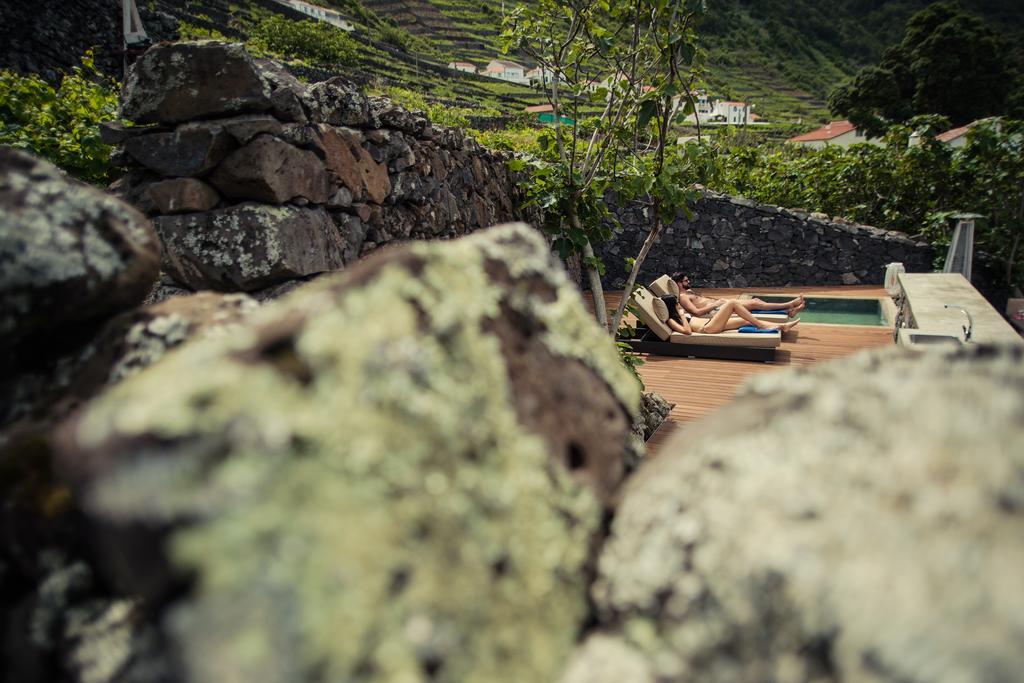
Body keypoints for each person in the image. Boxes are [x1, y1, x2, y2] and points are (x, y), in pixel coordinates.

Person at [671, 272, 806, 318]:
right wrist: (715, 305)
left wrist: (718, 301)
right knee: (754, 304)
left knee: (756, 300)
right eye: (686, 281)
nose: (689, 281)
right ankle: (789, 305)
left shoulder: (688, 292)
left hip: (719, 305)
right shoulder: (683, 297)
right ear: (678, 283)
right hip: (715, 311)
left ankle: (788, 312)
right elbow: (697, 312)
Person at [661, 294, 799, 335]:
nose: (679, 305)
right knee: (732, 303)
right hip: (707, 329)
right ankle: (762, 325)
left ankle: (782, 327)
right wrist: (682, 315)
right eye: (676, 304)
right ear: (673, 306)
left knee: (744, 320)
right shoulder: (671, 320)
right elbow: (687, 332)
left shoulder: (679, 314)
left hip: (711, 323)